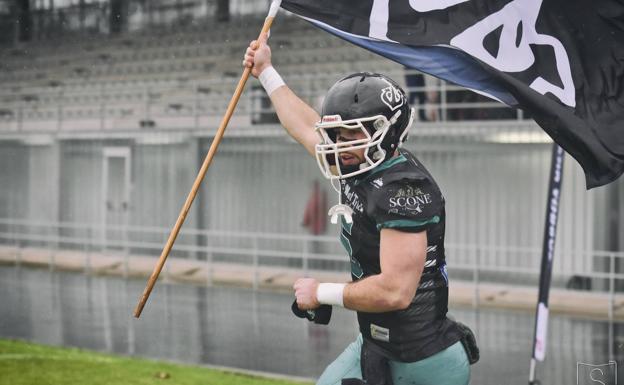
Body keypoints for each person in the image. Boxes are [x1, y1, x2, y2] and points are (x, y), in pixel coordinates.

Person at [243, 34, 475, 385]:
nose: (338, 145)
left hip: (425, 363)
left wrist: (321, 293)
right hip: (376, 346)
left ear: (386, 133)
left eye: (350, 134)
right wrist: (267, 72)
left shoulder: (405, 188)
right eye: (337, 134)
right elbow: (305, 126)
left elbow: (395, 292)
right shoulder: (357, 162)